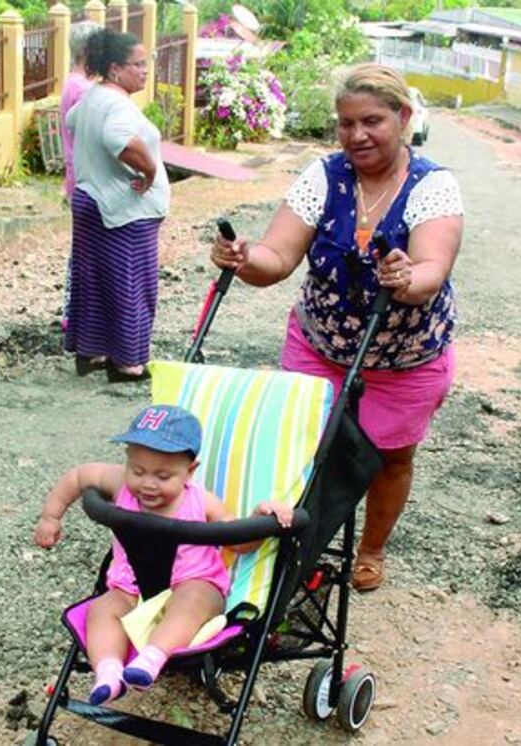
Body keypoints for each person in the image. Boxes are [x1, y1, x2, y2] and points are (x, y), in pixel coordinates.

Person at [210, 64, 463, 593]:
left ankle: (371, 549)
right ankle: (295, 550)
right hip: (320, 344)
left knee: (391, 457)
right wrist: (243, 256)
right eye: (346, 123)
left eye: (372, 120)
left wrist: (407, 276)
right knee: (300, 450)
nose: (357, 135)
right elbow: (276, 257)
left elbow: (431, 270)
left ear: (404, 117)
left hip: (404, 357)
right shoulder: (323, 176)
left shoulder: (433, 186)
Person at [33, 404, 293, 704]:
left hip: (193, 583)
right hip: (131, 587)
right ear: (127, 461)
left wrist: (260, 516)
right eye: (138, 470)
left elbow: (239, 542)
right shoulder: (120, 485)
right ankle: (108, 671)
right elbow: (79, 476)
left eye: (163, 475)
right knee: (101, 610)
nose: (147, 483)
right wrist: (50, 516)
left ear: (190, 471)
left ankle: (151, 658)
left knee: (193, 599)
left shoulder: (201, 502)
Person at [64, 29, 169, 383]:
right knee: (132, 285)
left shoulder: (93, 97)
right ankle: (127, 363)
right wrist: (150, 168)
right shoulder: (118, 104)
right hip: (123, 211)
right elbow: (118, 139)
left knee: (94, 283)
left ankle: (91, 353)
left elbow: (71, 120)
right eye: (138, 64)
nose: (145, 70)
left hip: (91, 200)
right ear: (114, 68)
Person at [58, 20, 102, 334]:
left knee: (83, 250)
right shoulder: (83, 89)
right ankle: (77, 316)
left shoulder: (72, 83)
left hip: (78, 178)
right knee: (87, 253)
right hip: (88, 179)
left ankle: (75, 315)